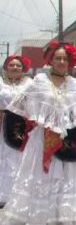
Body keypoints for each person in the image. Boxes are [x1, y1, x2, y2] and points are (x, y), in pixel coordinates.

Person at [0, 42, 76, 225]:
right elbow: (18, 105)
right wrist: (36, 121)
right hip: (43, 138)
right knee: (43, 176)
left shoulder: (75, 84)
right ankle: (41, 219)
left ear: (71, 61)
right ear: (50, 60)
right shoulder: (39, 80)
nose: (61, 62)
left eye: (65, 59)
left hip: (69, 137)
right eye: (57, 58)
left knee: (68, 176)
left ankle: (64, 219)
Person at [0, 55, 34, 205]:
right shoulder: (1, 84)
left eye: (18, 66)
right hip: (1, 125)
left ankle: (18, 196)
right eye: (11, 65)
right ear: (6, 68)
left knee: (20, 159)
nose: (15, 68)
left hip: (22, 127)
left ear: (23, 69)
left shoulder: (30, 85)